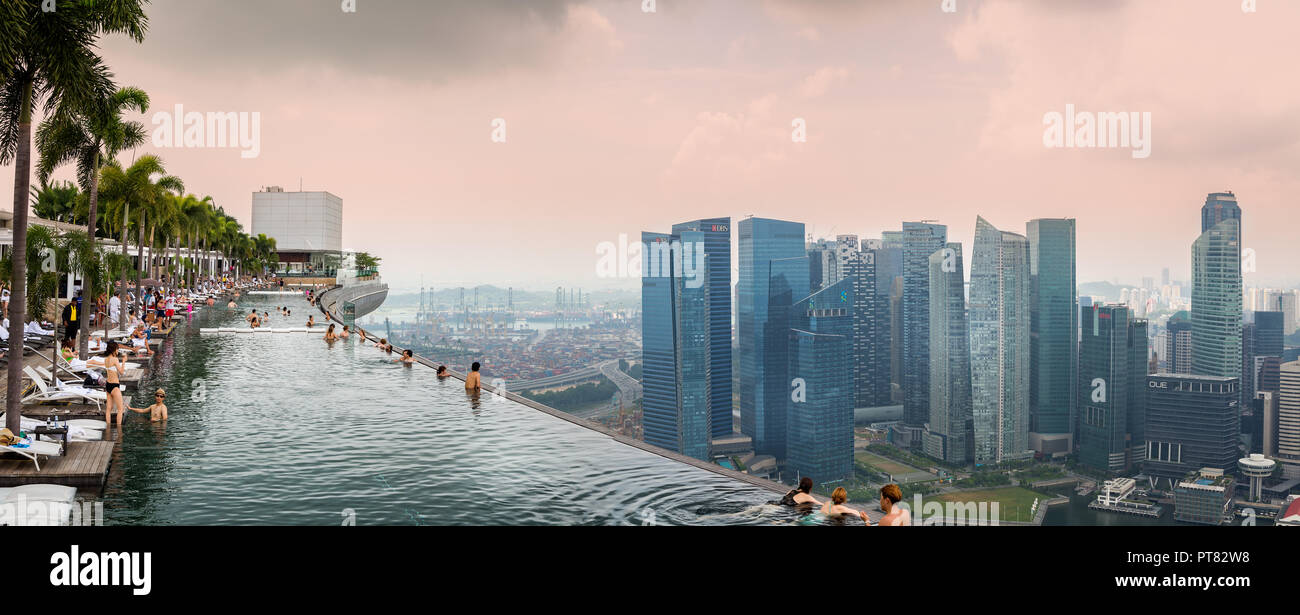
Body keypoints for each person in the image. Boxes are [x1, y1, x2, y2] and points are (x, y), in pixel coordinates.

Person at [102, 340, 127, 427]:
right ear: (114, 350)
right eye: (117, 349)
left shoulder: (106, 360)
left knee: (109, 409)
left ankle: (108, 427)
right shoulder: (115, 359)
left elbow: (112, 371)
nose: (117, 351)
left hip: (108, 385)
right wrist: (124, 361)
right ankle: (119, 430)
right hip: (114, 386)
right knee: (120, 409)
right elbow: (121, 372)